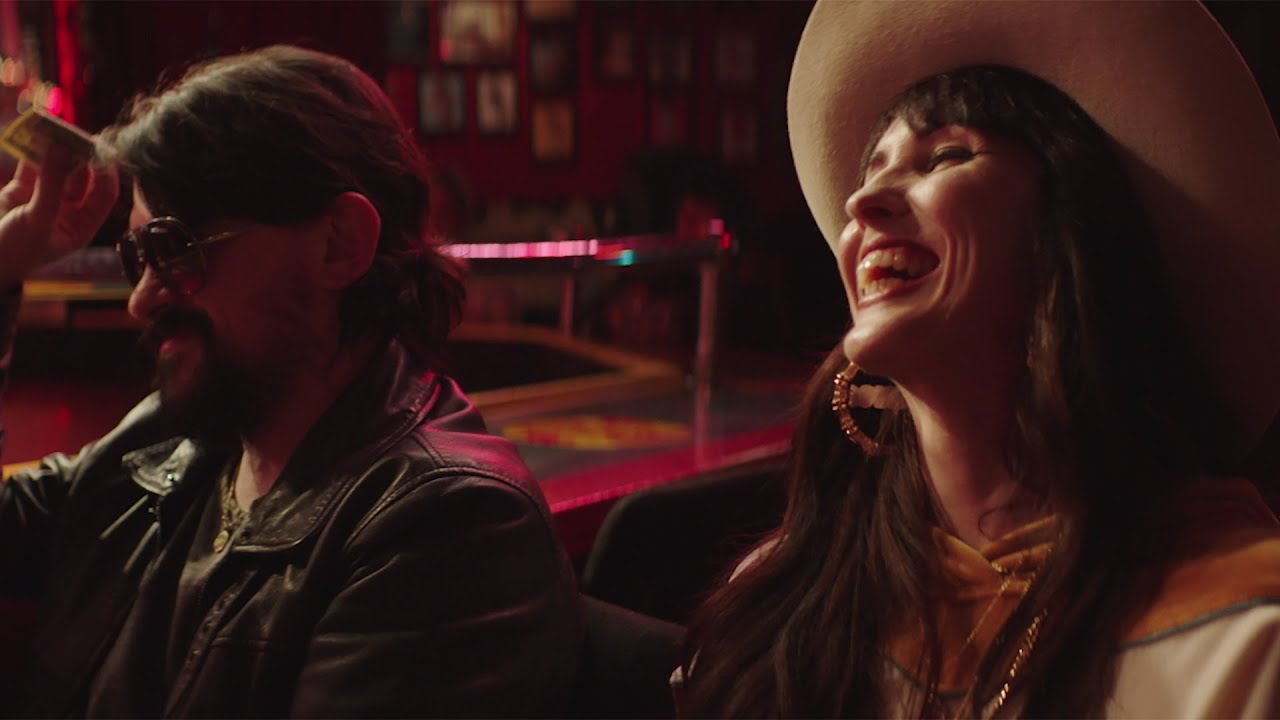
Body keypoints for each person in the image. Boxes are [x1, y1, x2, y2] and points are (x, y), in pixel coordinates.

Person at [679, 2, 1280, 717]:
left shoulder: (1244, 641)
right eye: (871, 169)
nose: (863, 202)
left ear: (1067, 231)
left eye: (945, 157)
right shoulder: (779, 605)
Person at [0, 45, 580, 717]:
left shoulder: (450, 527)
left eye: (174, 248)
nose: (142, 300)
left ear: (340, 245)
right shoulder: (172, 443)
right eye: (137, 257)